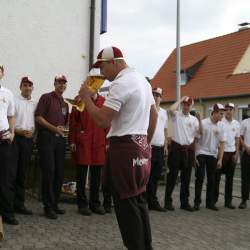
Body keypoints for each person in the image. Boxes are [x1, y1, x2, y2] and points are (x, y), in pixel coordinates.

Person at [79, 46, 157, 250]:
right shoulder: (142, 81)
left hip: (124, 147)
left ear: (113, 62)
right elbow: (154, 115)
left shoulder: (121, 83)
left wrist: (86, 97)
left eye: (102, 67)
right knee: (139, 200)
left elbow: (102, 120)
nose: (101, 73)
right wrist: (145, 144)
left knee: (126, 206)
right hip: (140, 146)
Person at [35, 75, 69, 219]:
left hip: (60, 141)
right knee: (49, 172)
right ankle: (47, 207)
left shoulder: (65, 104)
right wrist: (54, 128)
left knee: (59, 173)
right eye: (59, 83)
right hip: (46, 139)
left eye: (64, 83)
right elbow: (38, 117)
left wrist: (63, 129)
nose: (62, 85)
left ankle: (55, 204)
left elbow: (65, 124)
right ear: (54, 84)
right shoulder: (46, 97)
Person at [68, 93, 108, 216]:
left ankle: (95, 203)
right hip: (83, 142)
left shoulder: (104, 101)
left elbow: (108, 122)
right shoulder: (80, 99)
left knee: (96, 175)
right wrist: (72, 140)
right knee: (81, 175)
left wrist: (107, 141)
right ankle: (82, 204)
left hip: (99, 141)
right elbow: (73, 121)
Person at [164, 96, 201, 212]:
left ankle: (184, 202)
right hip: (176, 149)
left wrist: (194, 155)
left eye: (188, 104)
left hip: (188, 151)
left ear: (191, 106)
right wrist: (180, 99)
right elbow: (170, 109)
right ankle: (167, 202)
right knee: (172, 177)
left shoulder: (194, 119)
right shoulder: (176, 115)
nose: (186, 106)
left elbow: (197, 136)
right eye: (184, 104)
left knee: (186, 178)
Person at [194, 103, 225, 211]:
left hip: (213, 154)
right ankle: (197, 202)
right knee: (200, 177)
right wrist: (195, 156)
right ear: (215, 112)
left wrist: (220, 159)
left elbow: (222, 143)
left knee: (212, 179)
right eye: (221, 114)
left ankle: (209, 203)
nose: (222, 116)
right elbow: (196, 140)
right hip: (201, 152)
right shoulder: (203, 123)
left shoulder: (221, 125)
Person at [13, 76, 37, 215]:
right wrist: (18, 131)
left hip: (28, 141)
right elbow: (8, 119)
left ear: (32, 88)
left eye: (29, 85)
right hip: (16, 139)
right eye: (25, 85)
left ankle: (20, 204)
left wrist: (34, 136)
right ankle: (8, 204)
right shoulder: (14, 101)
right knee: (12, 172)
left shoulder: (35, 103)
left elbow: (37, 121)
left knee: (22, 173)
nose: (27, 88)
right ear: (20, 87)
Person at [214, 103, 240, 209]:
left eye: (230, 109)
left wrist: (237, 152)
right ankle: (213, 201)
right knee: (216, 178)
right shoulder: (220, 122)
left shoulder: (237, 124)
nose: (228, 111)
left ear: (234, 111)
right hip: (221, 153)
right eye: (227, 109)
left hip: (232, 153)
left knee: (230, 179)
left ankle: (228, 202)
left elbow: (237, 138)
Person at [146, 87, 168, 212]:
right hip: (150, 147)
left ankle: (153, 201)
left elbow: (165, 130)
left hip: (160, 148)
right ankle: (145, 201)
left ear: (161, 98)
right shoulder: (147, 110)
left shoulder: (164, 113)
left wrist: (165, 146)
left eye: (158, 95)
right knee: (147, 176)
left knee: (156, 176)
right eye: (154, 94)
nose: (156, 97)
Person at [0, 65, 17, 225]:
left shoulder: (8, 93)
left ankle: (7, 213)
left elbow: (11, 115)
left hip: (4, 140)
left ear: (2, 73)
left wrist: (12, 132)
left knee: (5, 178)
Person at [239, 104, 250, 209]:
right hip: (247, 153)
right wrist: (245, 147)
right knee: (245, 177)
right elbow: (240, 137)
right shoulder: (244, 122)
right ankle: (244, 200)